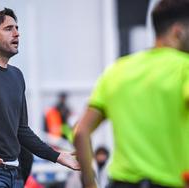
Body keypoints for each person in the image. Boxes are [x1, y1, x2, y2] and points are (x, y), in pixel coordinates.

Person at [0, 8, 79, 188]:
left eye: (17, 28)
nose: (17, 33)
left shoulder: (17, 75)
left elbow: (22, 130)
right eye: (9, 28)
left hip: (15, 173)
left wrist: (57, 156)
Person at [74, 0, 189, 187]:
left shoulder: (117, 70)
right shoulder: (184, 68)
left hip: (121, 183)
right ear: (178, 32)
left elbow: (81, 132)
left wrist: (89, 183)